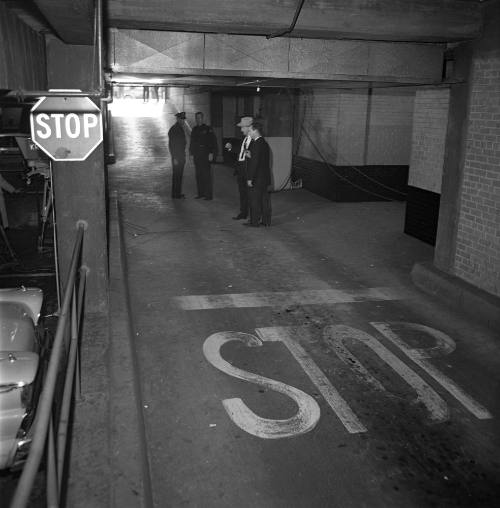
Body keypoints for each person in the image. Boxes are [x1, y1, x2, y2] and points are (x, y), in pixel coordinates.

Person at [244, 122, 272, 227]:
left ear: (255, 130)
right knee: (264, 200)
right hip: (264, 177)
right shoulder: (264, 143)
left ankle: (254, 222)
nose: (249, 132)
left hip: (257, 177)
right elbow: (261, 159)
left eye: (250, 130)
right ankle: (266, 221)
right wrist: (251, 156)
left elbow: (255, 163)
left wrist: (250, 178)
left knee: (254, 200)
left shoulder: (256, 144)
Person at [225, 116, 253, 220]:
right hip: (241, 169)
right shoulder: (244, 138)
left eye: (242, 127)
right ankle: (243, 213)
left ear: (248, 127)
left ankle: (253, 216)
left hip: (247, 169)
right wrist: (231, 148)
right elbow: (241, 150)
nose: (241, 130)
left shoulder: (254, 140)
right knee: (242, 193)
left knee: (250, 194)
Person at [189, 112, 218, 200]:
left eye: (200, 117)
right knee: (198, 175)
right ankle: (200, 193)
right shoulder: (194, 129)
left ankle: (208, 195)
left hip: (206, 155)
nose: (198, 119)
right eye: (197, 118)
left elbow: (213, 142)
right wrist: (191, 153)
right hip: (197, 156)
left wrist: (211, 153)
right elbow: (192, 142)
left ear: (203, 118)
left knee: (206, 175)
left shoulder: (208, 129)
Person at [168, 111, 187, 199]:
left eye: (184, 119)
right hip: (177, 157)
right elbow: (172, 145)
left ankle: (177, 193)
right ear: (178, 119)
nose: (183, 121)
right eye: (182, 119)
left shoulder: (179, 128)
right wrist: (175, 157)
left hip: (180, 156)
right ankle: (175, 194)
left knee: (179, 175)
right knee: (177, 175)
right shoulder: (175, 129)